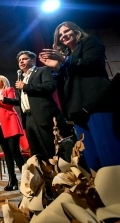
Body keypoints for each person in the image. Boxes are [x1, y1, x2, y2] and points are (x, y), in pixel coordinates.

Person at [39, 21, 120, 171]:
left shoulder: (90, 41)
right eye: (60, 34)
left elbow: (93, 63)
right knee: (90, 156)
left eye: (66, 31)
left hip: (97, 103)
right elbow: (60, 82)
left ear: (76, 31)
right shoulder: (67, 55)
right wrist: (56, 67)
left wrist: (64, 60)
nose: (63, 36)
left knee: (108, 151)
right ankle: (98, 190)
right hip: (77, 108)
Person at [2, 51, 66, 162]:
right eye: (19, 60)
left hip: (42, 116)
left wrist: (26, 87)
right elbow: (22, 101)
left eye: (24, 59)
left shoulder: (42, 70)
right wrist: (4, 100)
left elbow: (50, 86)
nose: (21, 61)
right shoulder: (22, 78)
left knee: (49, 149)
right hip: (28, 118)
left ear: (33, 60)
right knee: (36, 153)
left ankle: (56, 176)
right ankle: (43, 177)